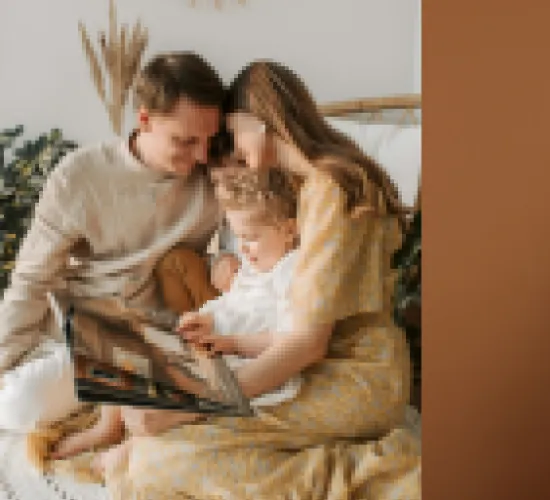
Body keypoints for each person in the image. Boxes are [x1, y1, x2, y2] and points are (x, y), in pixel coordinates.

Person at [40, 60, 421, 499]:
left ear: (260, 124)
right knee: (144, 415)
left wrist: (191, 404)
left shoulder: (331, 190)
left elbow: (307, 343)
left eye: (233, 133)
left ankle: (375, 472)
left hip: (351, 376)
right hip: (311, 363)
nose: (228, 150)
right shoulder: (312, 184)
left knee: (157, 463)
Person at [0, 52, 226, 434]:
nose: (202, 155)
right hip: (86, 332)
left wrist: (223, 262)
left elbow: (242, 250)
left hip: (163, 339)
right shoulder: (79, 176)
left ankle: (113, 405)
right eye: (185, 141)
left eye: (210, 139)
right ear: (144, 119)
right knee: (17, 406)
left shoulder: (216, 174)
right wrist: (4, 362)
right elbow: (32, 278)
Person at [46, 167, 307, 463]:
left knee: (156, 380)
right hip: (215, 342)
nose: (244, 248)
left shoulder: (294, 271)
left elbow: (287, 340)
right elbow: (233, 302)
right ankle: (106, 427)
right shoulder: (255, 262)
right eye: (239, 237)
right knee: (119, 336)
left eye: (251, 237)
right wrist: (205, 317)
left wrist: (233, 342)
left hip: (247, 364)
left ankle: (135, 442)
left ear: (288, 230)